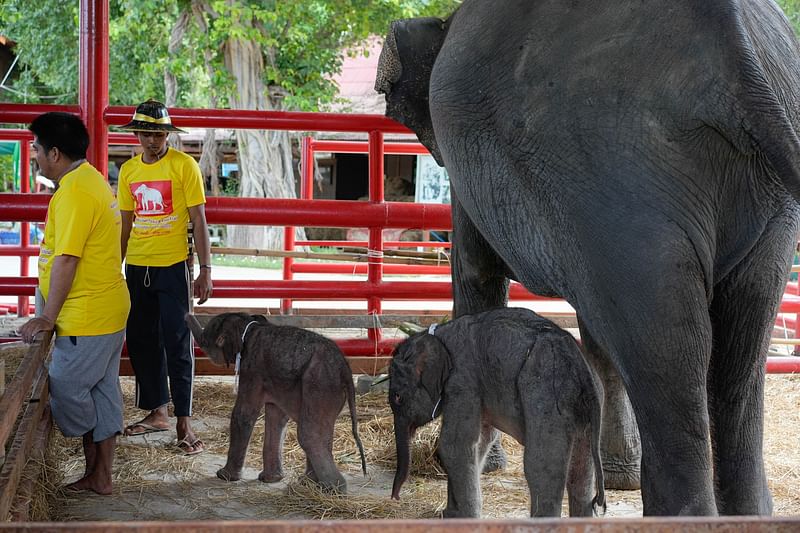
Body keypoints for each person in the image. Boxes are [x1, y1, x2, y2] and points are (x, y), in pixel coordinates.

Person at [20, 112, 130, 495]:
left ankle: (96, 466)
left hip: (87, 316)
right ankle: (100, 476)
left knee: (67, 388)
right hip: (105, 309)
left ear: (53, 152)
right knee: (102, 389)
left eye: (36, 148)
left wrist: (47, 315)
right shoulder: (90, 180)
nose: (34, 155)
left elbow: (67, 258)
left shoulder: (76, 192)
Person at [117, 99, 212, 455]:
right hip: (137, 266)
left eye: (158, 133)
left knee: (178, 341)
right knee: (141, 339)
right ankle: (157, 412)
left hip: (173, 266)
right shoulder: (128, 172)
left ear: (166, 134)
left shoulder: (184, 166)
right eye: (145, 133)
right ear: (137, 134)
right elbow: (126, 223)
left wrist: (206, 269)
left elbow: (199, 219)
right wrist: (116, 264)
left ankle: (184, 422)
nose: (151, 140)